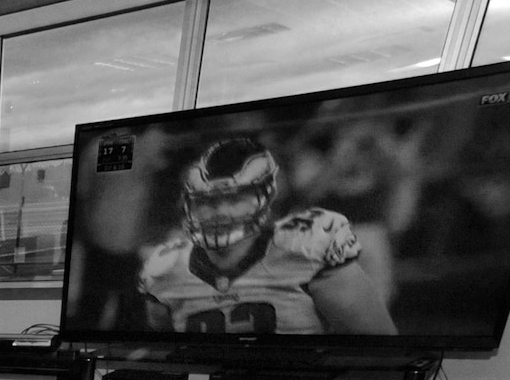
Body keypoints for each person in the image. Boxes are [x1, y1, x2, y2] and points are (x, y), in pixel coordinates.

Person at [139, 137, 397, 337]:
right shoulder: (167, 267)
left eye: (234, 199)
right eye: (205, 202)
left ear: (264, 199)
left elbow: (379, 345)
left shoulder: (307, 249)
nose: (218, 212)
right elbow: (165, 346)